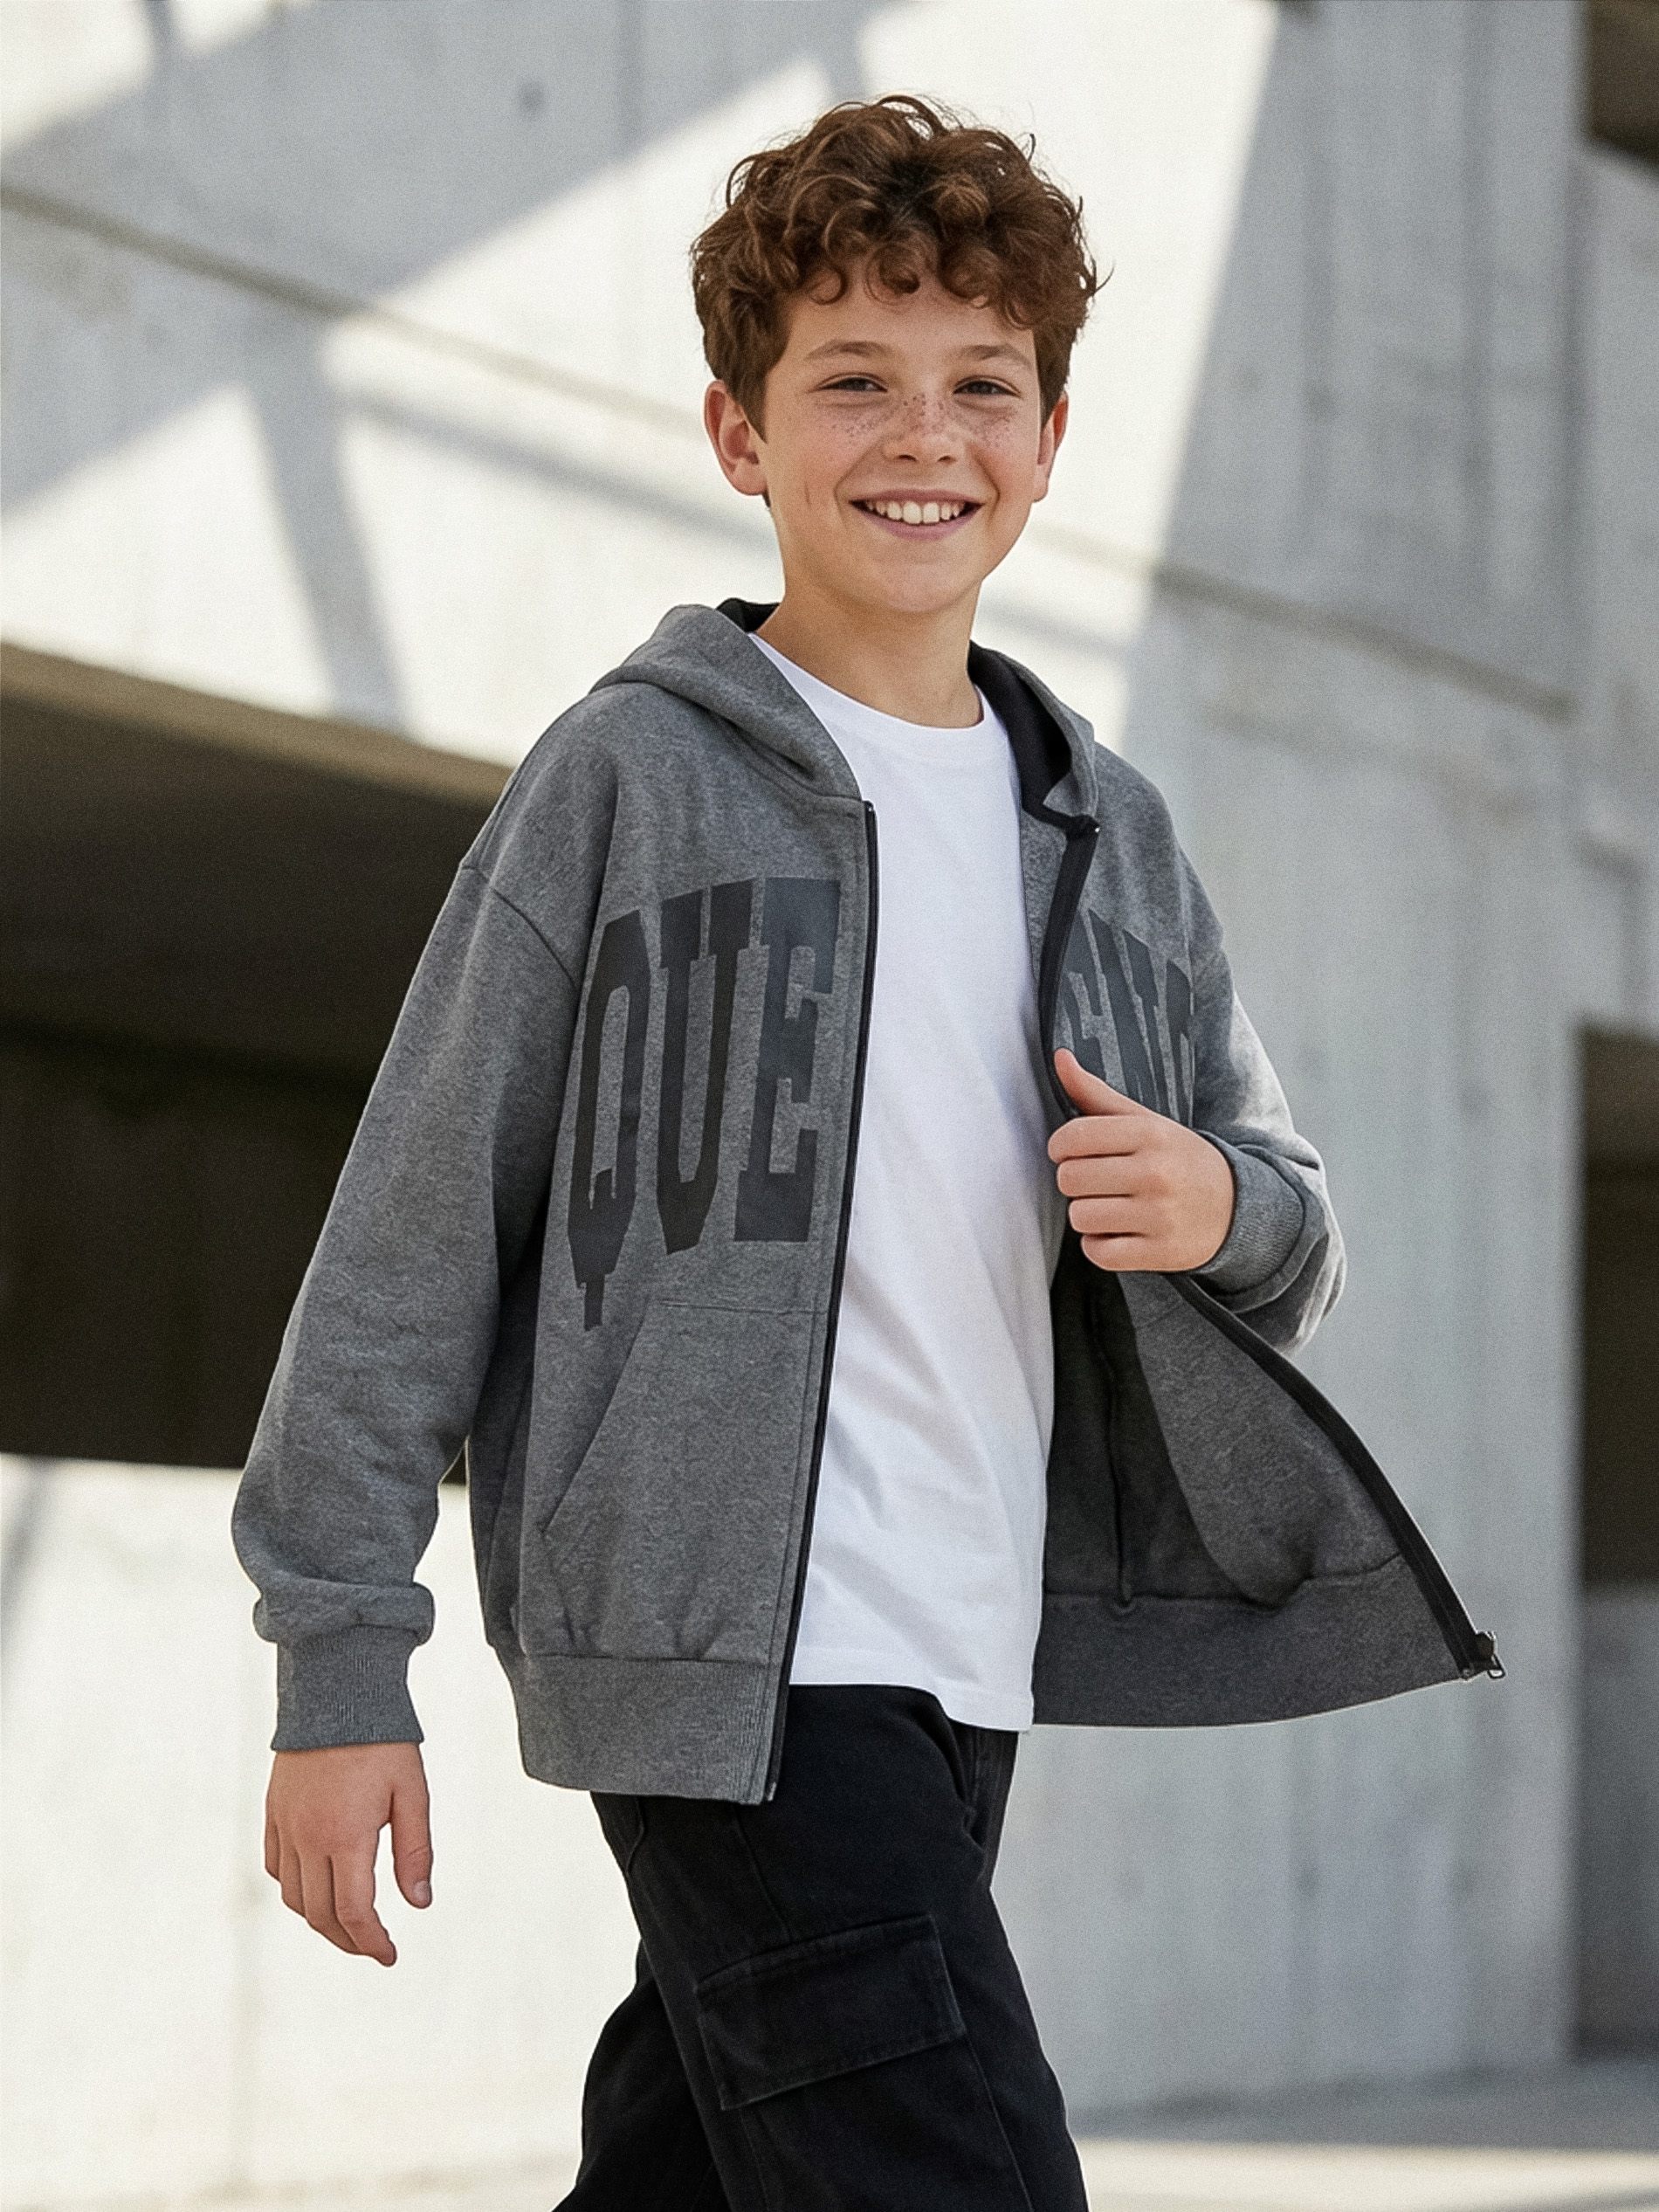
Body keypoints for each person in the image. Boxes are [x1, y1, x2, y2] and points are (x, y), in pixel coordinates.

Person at [234, 95, 1497, 2212]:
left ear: (1049, 438)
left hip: (966, 1640)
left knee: (705, 2170)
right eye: (852, 381)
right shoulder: (628, 778)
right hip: (732, 1653)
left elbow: (1287, 1225)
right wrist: (337, 1662)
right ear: (738, 434)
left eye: (978, 385)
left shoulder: (1097, 823)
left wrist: (1213, 1203)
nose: (923, 436)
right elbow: (413, 1227)